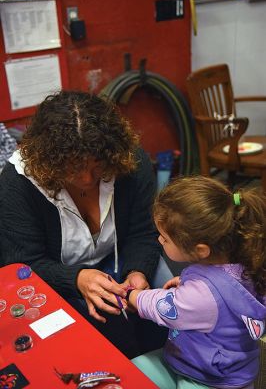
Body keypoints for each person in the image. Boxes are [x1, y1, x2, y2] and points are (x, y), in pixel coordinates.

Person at [0, 90, 171, 358]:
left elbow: (143, 231)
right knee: (91, 348)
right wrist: (76, 278)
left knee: (164, 331)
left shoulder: (129, 161)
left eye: (97, 165)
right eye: (72, 168)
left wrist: (137, 272)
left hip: (119, 262)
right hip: (57, 276)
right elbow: (21, 263)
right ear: (48, 161)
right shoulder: (18, 184)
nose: (88, 179)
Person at [128, 176, 266, 389]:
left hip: (214, 380)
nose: (159, 240)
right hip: (194, 361)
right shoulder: (243, 260)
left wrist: (134, 296)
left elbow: (164, 307)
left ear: (200, 250)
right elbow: (220, 288)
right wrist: (186, 281)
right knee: (131, 369)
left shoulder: (201, 297)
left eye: (165, 238)